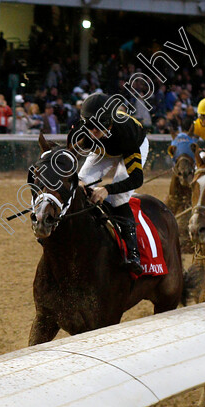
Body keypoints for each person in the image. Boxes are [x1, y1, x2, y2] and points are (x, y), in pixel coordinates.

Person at [68, 92, 149, 274]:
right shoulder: (84, 131)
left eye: (97, 128)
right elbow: (69, 157)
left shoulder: (125, 134)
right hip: (103, 149)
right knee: (79, 184)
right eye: (88, 126)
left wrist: (107, 189)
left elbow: (137, 179)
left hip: (129, 146)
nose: (92, 132)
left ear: (110, 124)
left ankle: (133, 252)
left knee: (118, 198)